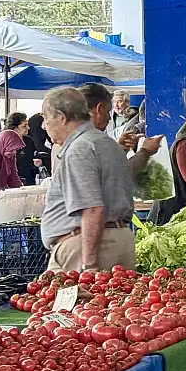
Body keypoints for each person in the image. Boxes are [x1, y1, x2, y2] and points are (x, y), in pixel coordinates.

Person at [39, 87, 139, 272]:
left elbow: (92, 208)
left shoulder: (80, 148)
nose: (44, 126)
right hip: (116, 239)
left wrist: (89, 266)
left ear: (61, 117)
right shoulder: (107, 143)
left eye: (46, 118)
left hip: (86, 247)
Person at [77, 83, 162, 182]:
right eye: (107, 112)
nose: (109, 118)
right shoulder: (88, 142)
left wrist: (120, 148)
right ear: (99, 109)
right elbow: (118, 175)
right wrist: (145, 152)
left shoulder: (79, 138)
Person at [8, 112, 39, 185]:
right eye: (24, 126)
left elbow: (34, 156)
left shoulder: (29, 141)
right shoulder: (6, 143)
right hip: (11, 183)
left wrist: (38, 162)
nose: (28, 128)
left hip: (29, 182)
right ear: (15, 129)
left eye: (27, 125)